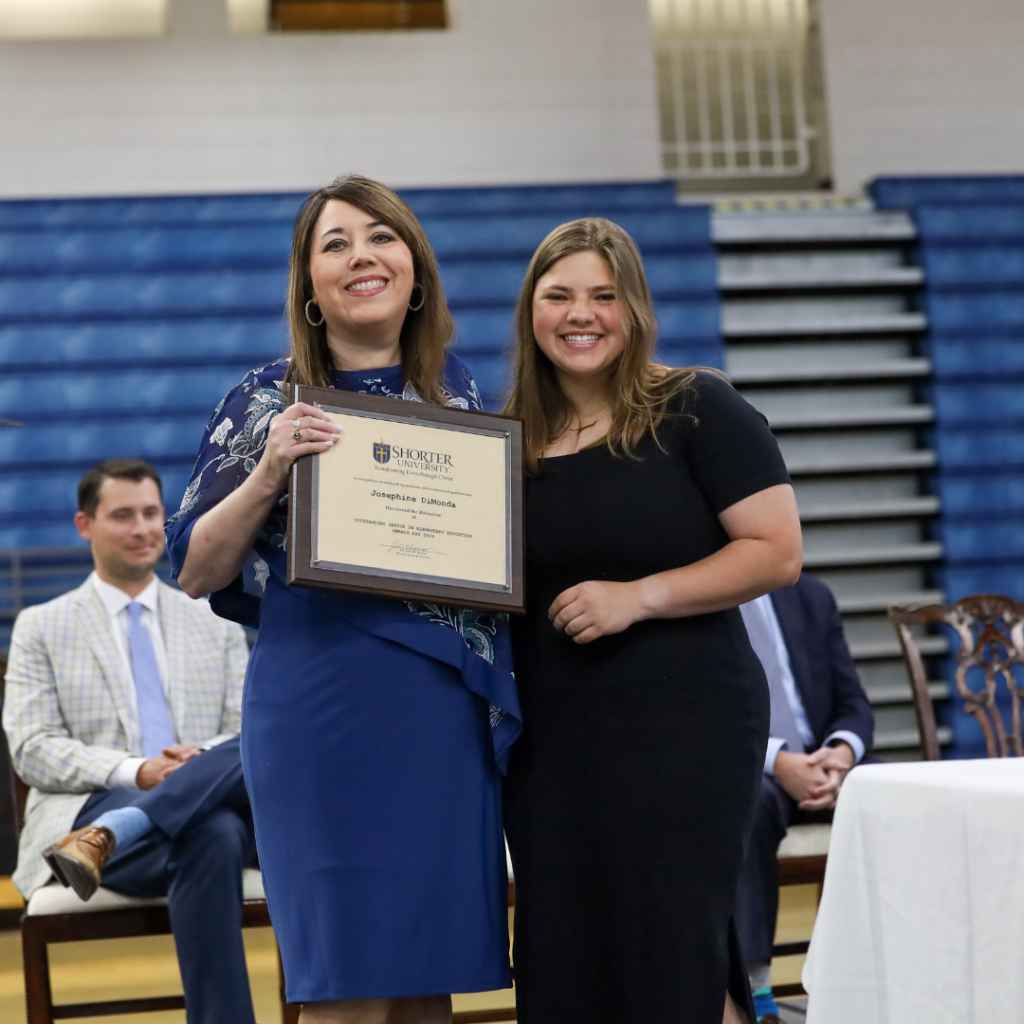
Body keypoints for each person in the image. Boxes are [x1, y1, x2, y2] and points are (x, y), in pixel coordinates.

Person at [165, 174, 520, 1024]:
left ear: (416, 269)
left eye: (381, 237)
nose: (362, 256)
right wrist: (269, 472)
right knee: (346, 985)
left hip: (441, 715)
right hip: (323, 711)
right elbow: (196, 570)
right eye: (336, 243)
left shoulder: (459, 391)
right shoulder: (263, 398)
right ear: (311, 287)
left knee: (429, 985)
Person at [501, 217, 803, 1024]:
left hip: (684, 725)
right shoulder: (507, 442)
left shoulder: (697, 406)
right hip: (552, 740)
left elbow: (776, 552)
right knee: (569, 954)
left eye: (604, 296)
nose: (581, 314)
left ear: (634, 308)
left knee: (674, 949)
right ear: (530, 311)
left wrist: (638, 597)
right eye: (559, 295)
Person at [2, 458, 256, 1024]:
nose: (142, 529)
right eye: (123, 516)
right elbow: (32, 747)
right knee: (215, 832)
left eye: (150, 513)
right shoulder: (41, 626)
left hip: (160, 825)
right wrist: (136, 771)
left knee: (224, 810)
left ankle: (118, 831)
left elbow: (247, 730)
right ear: (84, 525)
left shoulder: (213, 619)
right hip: (91, 804)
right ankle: (121, 819)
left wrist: (198, 761)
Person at [735, 572, 874, 1023]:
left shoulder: (811, 596)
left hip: (824, 759)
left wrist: (841, 753)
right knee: (748, 804)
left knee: (902, 793)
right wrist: (779, 761)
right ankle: (757, 991)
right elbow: (696, 713)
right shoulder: (702, 601)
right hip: (751, 763)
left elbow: (854, 703)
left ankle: (892, 970)